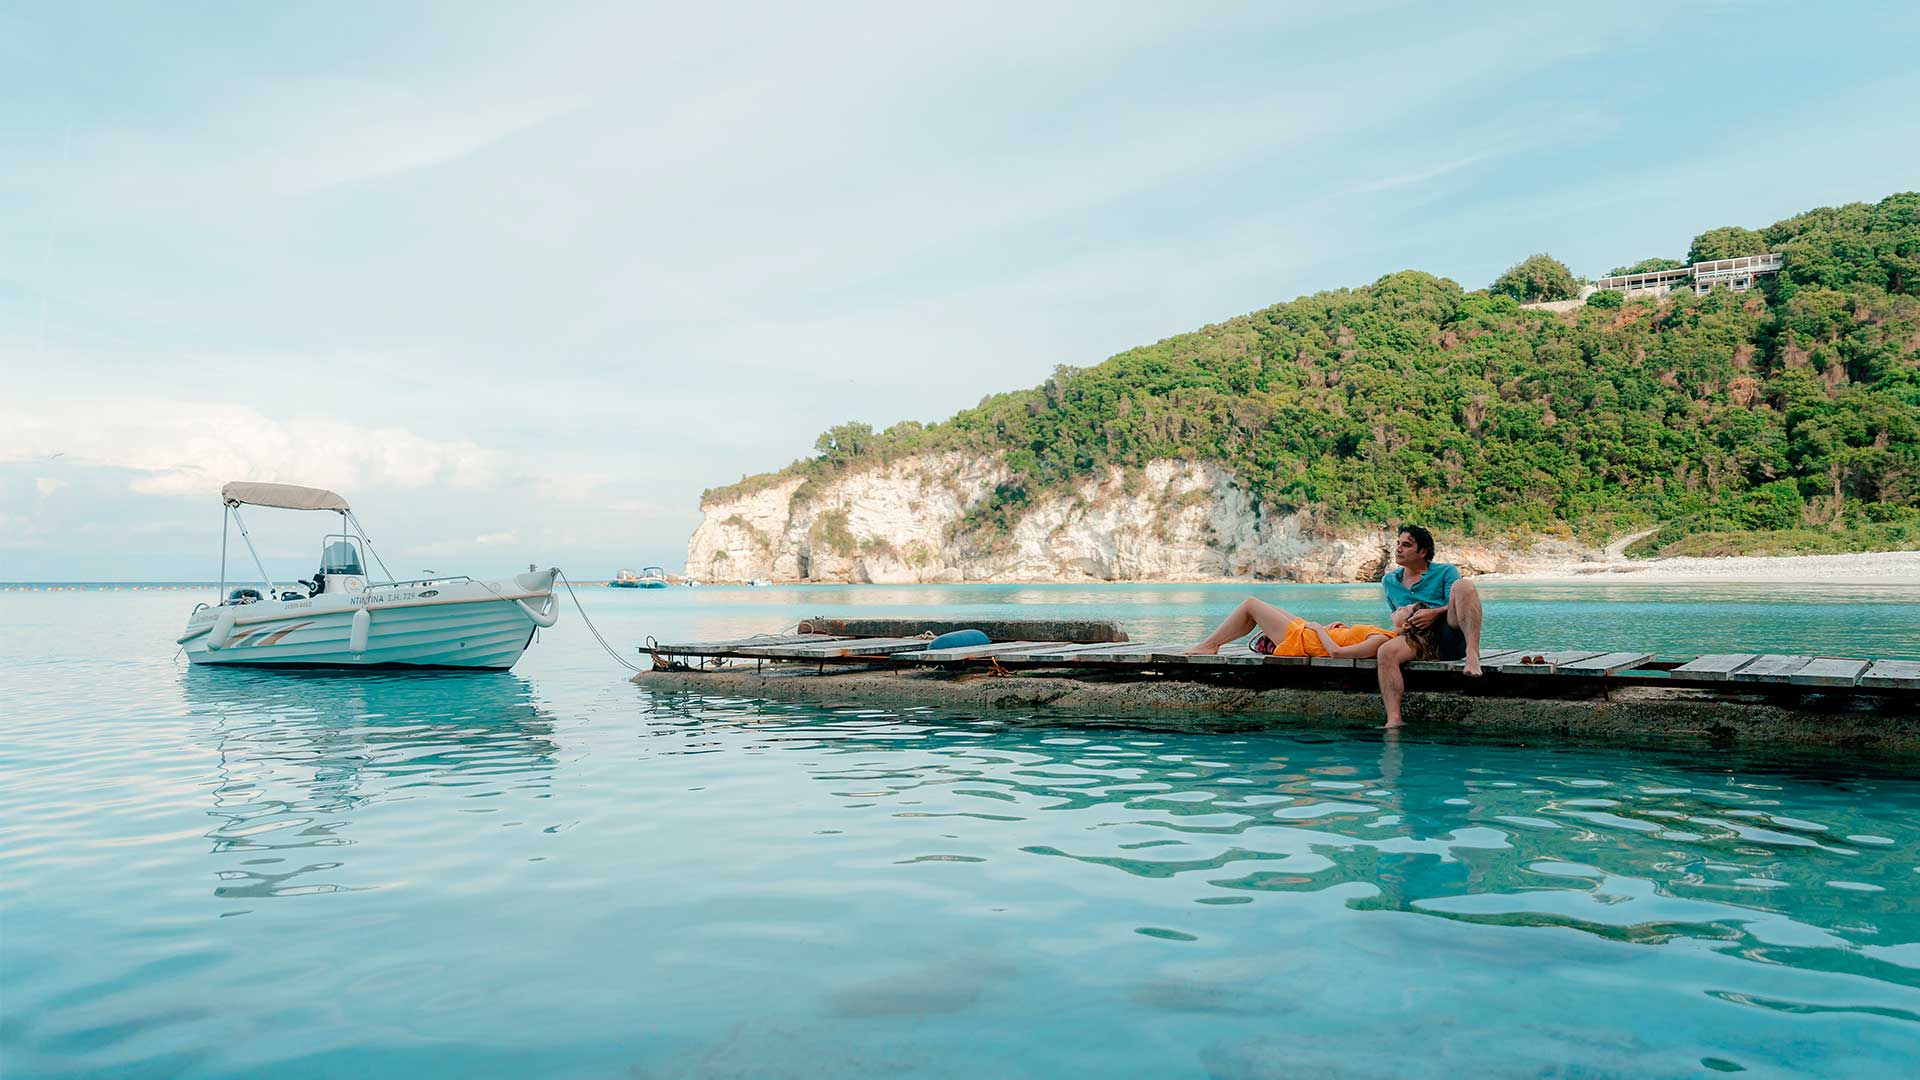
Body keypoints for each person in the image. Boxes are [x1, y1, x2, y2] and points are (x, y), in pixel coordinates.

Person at [1374, 525, 1485, 729]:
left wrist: (1434, 613)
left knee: (1463, 586)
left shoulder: (1445, 571)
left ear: (1422, 551)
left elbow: (1457, 605)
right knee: (1385, 652)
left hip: (1448, 633)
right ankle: (1394, 720)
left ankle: (1472, 653)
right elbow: (1396, 616)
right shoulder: (1389, 580)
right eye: (1398, 544)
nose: (1398, 549)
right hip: (1416, 638)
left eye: (1406, 545)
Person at [1185, 596, 1398, 659]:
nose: (1403, 606)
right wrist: (1341, 630)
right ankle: (1210, 643)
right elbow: (1346, 642)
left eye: (1408, 609)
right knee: (1262, 606)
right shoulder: (1384, 634)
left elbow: (1337, 652)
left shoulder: (1381, 641)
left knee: (1251, 605)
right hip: (1309, 633)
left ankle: (1209, 645)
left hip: (1303, 641)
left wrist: (1321, 631)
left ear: (1409, 623)